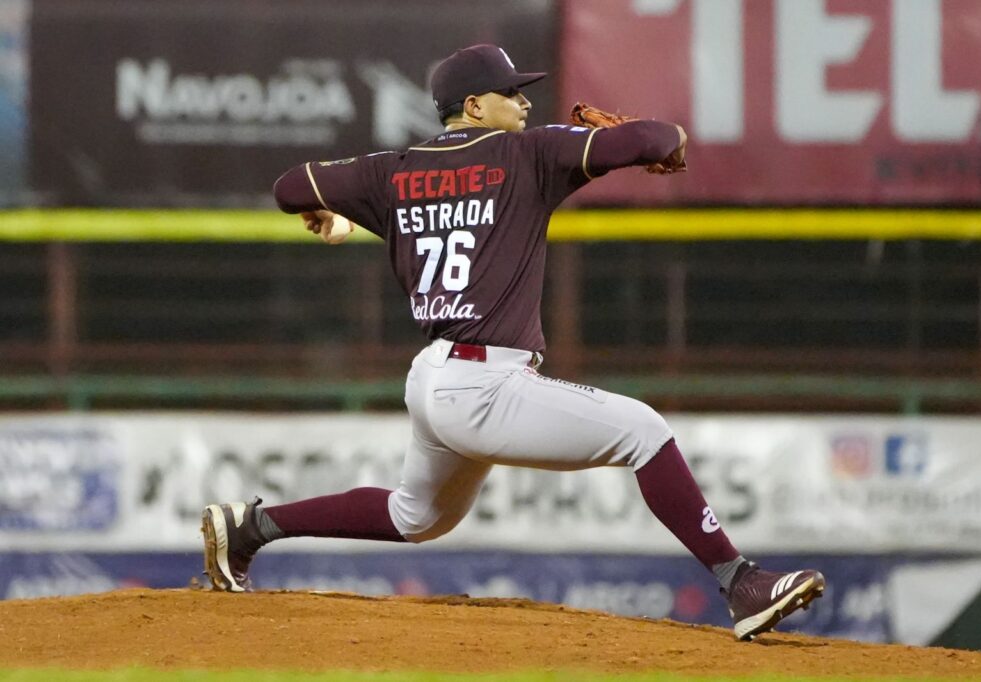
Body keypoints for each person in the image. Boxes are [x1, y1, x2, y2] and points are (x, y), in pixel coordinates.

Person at [201, 44, 825, 641]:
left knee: (415, 518)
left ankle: (251, 527)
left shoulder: (390, 171)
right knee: (644, 431)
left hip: (432, 378)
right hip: (483, 383)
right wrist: (645, 140)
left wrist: (329, 211)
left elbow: (289, 187)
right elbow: (662, 139)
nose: (524, 103)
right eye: (510, 93)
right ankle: (740, 582)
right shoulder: (527, 155)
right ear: (473, 107)